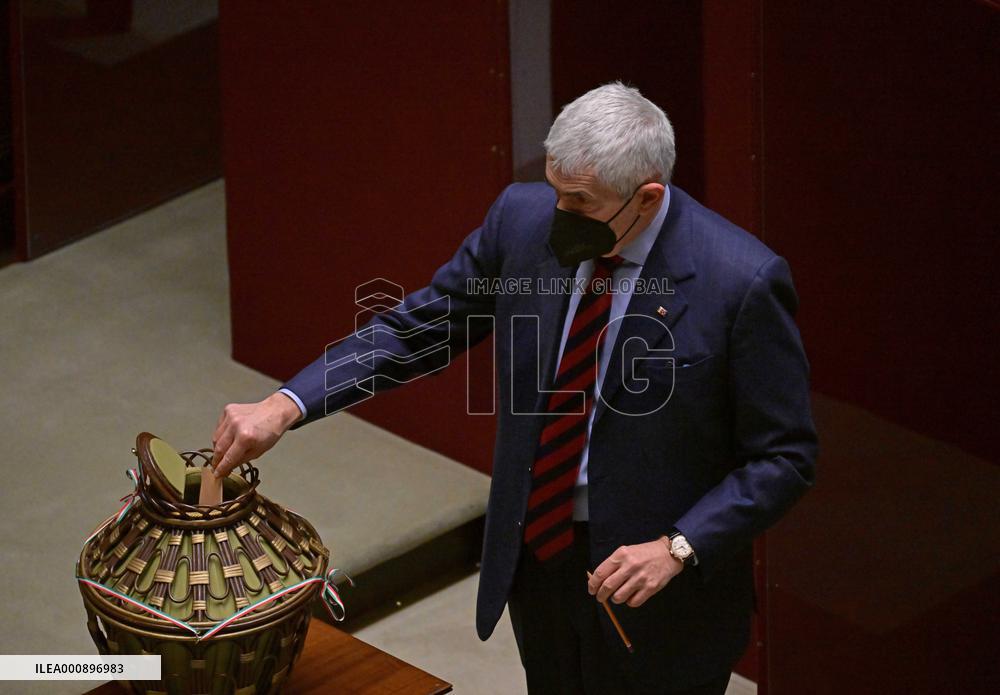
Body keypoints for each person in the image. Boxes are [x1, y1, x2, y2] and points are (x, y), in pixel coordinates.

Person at [211, 82, 817, 694]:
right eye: (556, 191)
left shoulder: (740, 281)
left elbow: (785, 457)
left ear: (647, 196)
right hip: (542, 556)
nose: (558, 217)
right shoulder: (522, 220)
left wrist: (679, 545)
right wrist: (286, 403)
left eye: (579, 203)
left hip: (661, 587)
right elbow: (418, 329)